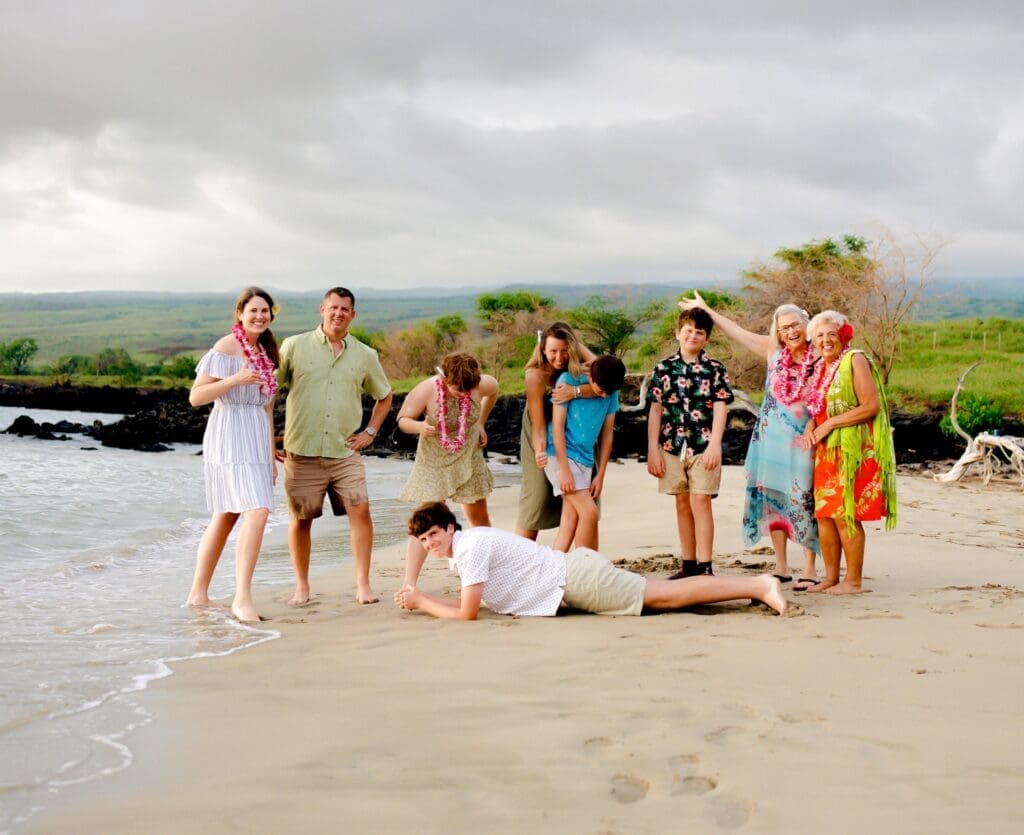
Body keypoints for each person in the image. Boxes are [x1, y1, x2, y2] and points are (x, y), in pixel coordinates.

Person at [394, 502, 787, 619]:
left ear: (450, 527)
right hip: (572, 580)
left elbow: (466, 616)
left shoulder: (470, 547)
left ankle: (758, 585)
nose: (429, 544)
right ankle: (754, 587)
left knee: (665, 596)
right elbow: (470, 606)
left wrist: (422, 601)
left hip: (576, 580)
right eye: (422, 539)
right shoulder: (464, 550)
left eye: (433, 534)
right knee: (663, 595)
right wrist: (422, 599)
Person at [678, 292, 820, 588]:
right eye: (784, 328)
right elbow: (737, 332)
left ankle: (810, 567)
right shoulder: (774, 352)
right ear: (778, 332)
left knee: (804, 498)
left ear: (806, 324)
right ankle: (781, 565)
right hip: (770, 441)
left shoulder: (819, 355)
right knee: (774, 498)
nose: (791, 332)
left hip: (803, 442)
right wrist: (707, 310)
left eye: (795, 325)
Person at [277, 287, 393, 605]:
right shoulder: (294, 346)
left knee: (361, 511)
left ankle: (363, 585)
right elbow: (270, 389)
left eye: (345, 309)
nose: (338, 313)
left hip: (345, 451)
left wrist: (370, 431)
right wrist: (264, 437)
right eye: (333, 307)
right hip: (302, 451)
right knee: (301, 519)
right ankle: (302, 587)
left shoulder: (365, 355)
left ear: (352, 315)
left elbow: (385, 396)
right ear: (322, 309)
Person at [185, 287, 279, 623]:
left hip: (255, 435)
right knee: (257, 511)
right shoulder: (226, 347)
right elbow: (196, 397)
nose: (259, 316)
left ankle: (198, 595)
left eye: (265, 311)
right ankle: (242, 598)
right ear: (240, 313)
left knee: (227, 516)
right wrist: (235, 378)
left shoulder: (267, 352)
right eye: (253, 310)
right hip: (228, 433)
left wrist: (270, 456)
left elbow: (267, 409)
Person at [802, 311, 897, 595]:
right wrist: (811, 425)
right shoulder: (820, 367)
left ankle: (853, 581)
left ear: (843, 335)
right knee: (825, 515)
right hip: (826, 450)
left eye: (831, 334)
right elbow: (818, 408)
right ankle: (831, 577)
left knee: (845, 513)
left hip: (852, 448)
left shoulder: (854, 359)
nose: (825, 340)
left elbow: (870, 406)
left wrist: (829, 423)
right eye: (819, 335)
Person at [397, 352, 498, 586]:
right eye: (458, 390)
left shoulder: (483, 383)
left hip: (468, 452)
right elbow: (403, 420)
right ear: (444, 378)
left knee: (478, 516)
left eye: (468, 391)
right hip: (434, 457)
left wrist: (480, 422)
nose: (464, 395)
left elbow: (493, 392)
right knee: (427, 517)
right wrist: (419, 426)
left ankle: (489, 574)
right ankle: (408, 584)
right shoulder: (427, 389)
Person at [646, 307, 734, 578]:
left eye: (699, 332)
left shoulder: (715, 368)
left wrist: (715, 444)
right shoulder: (663, 368)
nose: (693, 336)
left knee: (701, 500)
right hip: (671, 445)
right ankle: (689, 564)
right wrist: (652, 450)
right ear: (678, 333)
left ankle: (705, 566)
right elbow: (656, 410)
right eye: (688, 331)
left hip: (704, 444)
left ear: (706, 338)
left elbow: (721, 406)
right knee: (681, 503)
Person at [516, 323, 599, 539]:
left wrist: (576, 391)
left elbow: (606, 382)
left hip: (577, 430)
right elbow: (538, 424)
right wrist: (539, 451)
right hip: (541, 431)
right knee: (537, 498)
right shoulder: (535, 375)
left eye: (565, 351)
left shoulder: (579, 368)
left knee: (582, 500)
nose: (559, 358)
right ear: (543, 349)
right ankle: (518, 563)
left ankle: (584, 563)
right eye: (553, 351)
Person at [541, 355, 625, 552]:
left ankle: (552, 573)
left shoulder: (610, 389)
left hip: (585, 460)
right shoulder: (567, 381)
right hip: (559, 455)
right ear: (591, 378)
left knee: (570, 518)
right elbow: (557, 428)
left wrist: (601, 475)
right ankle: (590, 570)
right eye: (601, 390)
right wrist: (564, 471)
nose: (605, 396)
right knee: (589, 512)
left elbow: (607, 435)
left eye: (609, 392)